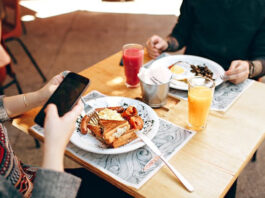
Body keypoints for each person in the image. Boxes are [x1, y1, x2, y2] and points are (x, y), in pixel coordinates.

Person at [146, 0, 265, 84]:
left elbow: (262, 59)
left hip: (234, 80)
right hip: (190, 75)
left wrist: (250, 68)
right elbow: (180, 35)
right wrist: (166, 44)